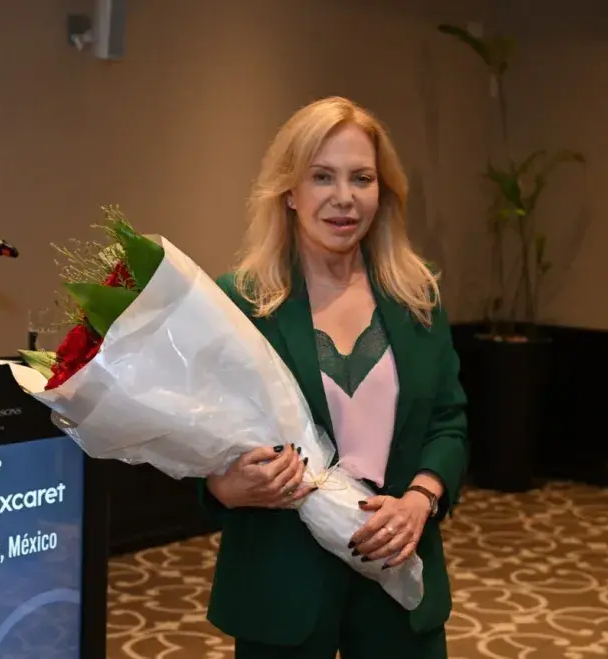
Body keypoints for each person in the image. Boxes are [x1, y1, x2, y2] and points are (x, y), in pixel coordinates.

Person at [200, 96, 468, 658]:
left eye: (361, 178)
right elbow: (192, 435)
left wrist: (420, 499)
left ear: (381, 191)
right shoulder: (241, 303)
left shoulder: (418, 296)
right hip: (282, 582)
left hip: (398, 568)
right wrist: (224, 487)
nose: (344, 198)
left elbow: (448, 421)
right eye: (322, 177)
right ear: (290, 192)